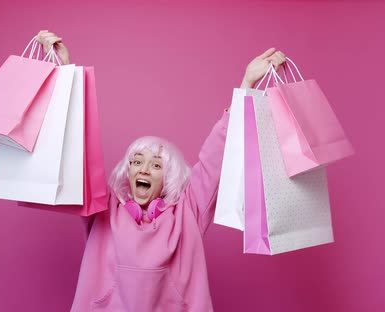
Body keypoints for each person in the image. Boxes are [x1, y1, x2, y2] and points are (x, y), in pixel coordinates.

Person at [36, 30, 286, 312]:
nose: (144, 168)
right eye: (137, 161)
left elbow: (216, 158)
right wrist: (65, 71)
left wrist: (247, 83)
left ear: (168, 178)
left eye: (156, 165)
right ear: (127, 171)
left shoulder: (188, 210)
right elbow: (77, 154)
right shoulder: (102, 207)